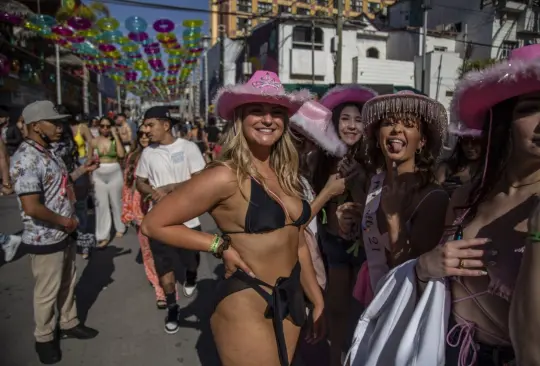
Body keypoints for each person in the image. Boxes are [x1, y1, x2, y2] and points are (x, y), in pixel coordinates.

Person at [141, 71, 324, 365]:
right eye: (257, 111)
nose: (268, 119)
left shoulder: (286, 173)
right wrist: (218, 245)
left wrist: (316, 297)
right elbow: (154, 224)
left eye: (276, 112)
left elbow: (297, 240)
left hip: (291, 296)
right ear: (239, 118)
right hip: (247, 301)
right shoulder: (225, 175)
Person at [409, 43, 540, 366]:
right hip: (448, 353)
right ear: (503, 121)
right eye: (530, 108)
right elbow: (425, 281)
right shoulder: (466, 198)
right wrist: (426, 267)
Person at [339, 90, 450, 305]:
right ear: (378, 136)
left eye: (408, 124)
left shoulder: (433, 198)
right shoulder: (375, 183)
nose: (397, 129)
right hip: (371, 293)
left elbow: (415, 275)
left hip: (403, 305)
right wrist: (350, 225)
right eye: (389, 123)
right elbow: (372, 246)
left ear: (422, 142)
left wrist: (394, 218)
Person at [9, 100, 99, 364]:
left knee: (68, 281)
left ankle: (69, 322)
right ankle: (44, 337)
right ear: (36, 126)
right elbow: (32, 206)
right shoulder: (25, 159)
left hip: (64, 231)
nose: (61, 128)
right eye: (54, 122)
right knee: (47, 291)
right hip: (45, 236)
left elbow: (57, 183)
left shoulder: (48, 151)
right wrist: (64, 221)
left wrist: (83, 170)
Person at [310, 84, 377, 366]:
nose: (352, 126)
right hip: (335, 245)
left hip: (367, 247)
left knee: (364, 312)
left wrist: (361, 181)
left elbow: (375, 208)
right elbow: (316, 200)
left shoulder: (375, 160)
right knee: (337, 309)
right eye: (345, 119)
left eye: (359, 120)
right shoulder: (322, 158)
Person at [135, 106, 205, 334]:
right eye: (145, 126)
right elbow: (140, 181)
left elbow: (201, 179)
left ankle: (192, 274)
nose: (146, 130)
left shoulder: (188, 147)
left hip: (188, 219)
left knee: (191, 262)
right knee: (164, 268)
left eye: (150, 125)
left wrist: (171, 188)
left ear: (166, 125)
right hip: (159, 221)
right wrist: (151, 191)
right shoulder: (148, 153)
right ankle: (172, 307)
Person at [121, 128, 166, 308]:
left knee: (164, 249)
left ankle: (167, 279)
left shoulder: (162, 154)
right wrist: (127, 211)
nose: (145, 138)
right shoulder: (132, 157)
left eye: (148, 134)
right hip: (139, 208)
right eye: (141, 134)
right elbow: (127, 186)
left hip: (161, 207)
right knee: (147, 251)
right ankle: (159, 289)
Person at [91, 116, 126, 248]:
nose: (105, 128)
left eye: (107, 126)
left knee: (116, 203)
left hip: (114, 172)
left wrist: (116, 135)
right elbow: (89, 160)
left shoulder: (114, 140)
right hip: (98, 174)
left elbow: (121, 155)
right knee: (101, 206)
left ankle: (120, 227)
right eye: (102, 126)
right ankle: (102, 235)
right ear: (99, 127)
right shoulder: (94, 142)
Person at [437, 121, 483, 193]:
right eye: (465, 141)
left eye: (475, 141)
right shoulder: (447, 167)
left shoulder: (491, 171)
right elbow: (435, 194)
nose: (469, 146)